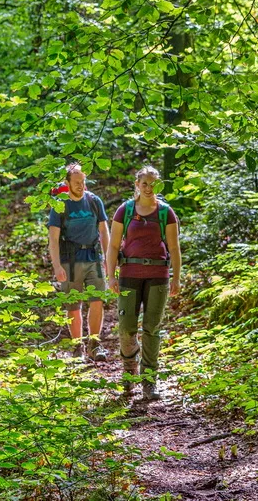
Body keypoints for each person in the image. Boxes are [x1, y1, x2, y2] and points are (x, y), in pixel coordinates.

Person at [106, 166, 181, 400]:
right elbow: (113, 245)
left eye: (154, 184)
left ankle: (149, 381)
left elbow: (174, 248)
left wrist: (176, 277)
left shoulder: (166, 213)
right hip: (129, 275)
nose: (149, 188)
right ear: (137, 185)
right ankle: (129, 375)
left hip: (158, 276)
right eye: (145, 183)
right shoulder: (125, 211)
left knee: (152, 328)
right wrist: (110, 275)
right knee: (127, 327)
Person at [48, 163, 110, 361]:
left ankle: (94, 344)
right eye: (76, 183)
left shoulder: (94, 201)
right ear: (67, 183)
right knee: (74, 306)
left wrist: (109, 258)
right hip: (70, 261)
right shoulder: (60, 205)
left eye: (83, 182)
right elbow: (53, 238)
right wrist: (57, 266)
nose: (81, 186)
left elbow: (104, 230)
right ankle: (78, 347)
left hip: (93, 258)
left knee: (97, 301)